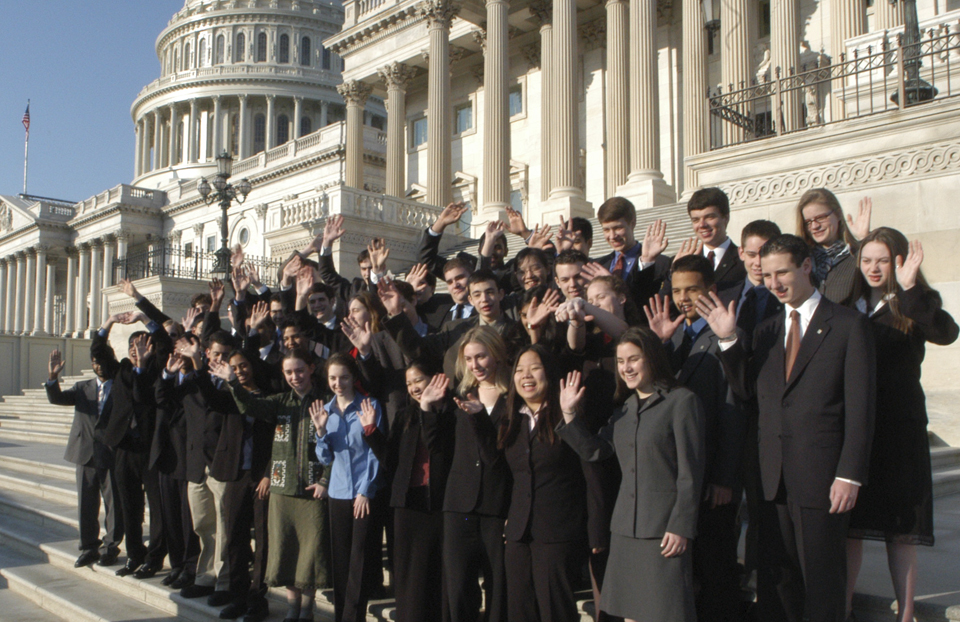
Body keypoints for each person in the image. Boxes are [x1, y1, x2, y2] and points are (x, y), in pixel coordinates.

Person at [696, 233, 876, 622]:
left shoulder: (848, 325)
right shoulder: (767, 330)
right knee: (776, 580)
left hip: (823, 476)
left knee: (823, 580)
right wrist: (728, 340)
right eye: (769, 274)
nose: (774, 283)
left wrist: (850, 474)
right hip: (771, 476)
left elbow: (861, 408)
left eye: (783, 273)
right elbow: (747, 392)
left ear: (806, 266)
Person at [845, 228, 959, 622]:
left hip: (900, 430)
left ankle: (906, 614)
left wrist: (911, 291)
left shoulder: (914, 302)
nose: (874, 268)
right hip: (858, 429)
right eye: (866, 260)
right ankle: (841, 608)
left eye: (883, 260)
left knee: (902, 530)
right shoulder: (850, 302)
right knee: (852, 527)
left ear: (899, 262)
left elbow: (946, 333)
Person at [558, 327, 706, 622]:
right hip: (625, 530)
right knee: (631, 616)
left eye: (634, 359)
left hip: (664, 532)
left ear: (651, 358)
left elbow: (691, 472)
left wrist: (681, 526)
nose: (626, 367)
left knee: (664, 613)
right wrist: (570, 416)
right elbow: (596, 451)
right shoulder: (625, 408)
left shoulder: (681, 402)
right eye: (621, 361)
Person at [646, 255, 745, 622]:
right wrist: (659, 346)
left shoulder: (724, 334)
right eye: (676, 290)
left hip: (712, 476)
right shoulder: (674, 334)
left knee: (716, 565)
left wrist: (724, 477)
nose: (683, 297)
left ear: (711, 290)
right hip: (679, 472)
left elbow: (733, 409)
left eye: (692, 289)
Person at [213, 349, 332, 622]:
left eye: (299, 370)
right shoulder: (280, 402)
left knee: (310, 554)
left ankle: (307, 611)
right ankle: (292, 610)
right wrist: (232, 381)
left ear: (311, 369)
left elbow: (337, 447)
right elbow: (250, 406)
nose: (295, 377)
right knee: (287, 551)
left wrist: (325, 479)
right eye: (289, 372)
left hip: (313, 491)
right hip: (282, 489)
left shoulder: (326, 402)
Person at [496, 345, 586, 622]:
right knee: (520, 609)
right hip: (519, 533)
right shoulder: (511, 419)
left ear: (549, 372)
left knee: (554, 610)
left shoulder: (567, 412)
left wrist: (571, 416)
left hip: (557, 530)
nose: (526, 375)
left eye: (534, 368)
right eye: (520, 370)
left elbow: (589, 463)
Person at [363, 364, 456, 622]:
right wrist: (371, 432)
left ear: (436, 379)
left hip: (440, 505)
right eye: (409, 383)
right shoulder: (404, 416)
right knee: (408, 575)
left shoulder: (452, 413)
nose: (414, 387)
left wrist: (428, 409)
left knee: (438, 573)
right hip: (407, 505)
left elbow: (443, 451)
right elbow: (392, 463)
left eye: (419, 380)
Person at [444, 326, 512, 622]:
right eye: (469, 359)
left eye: (481, 356)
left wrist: (481, 419)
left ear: (496, 354)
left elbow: (500, 457)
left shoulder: (515, 398)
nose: (475, 365)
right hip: (459, 506)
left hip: (498, 506)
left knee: (499, 589)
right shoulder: (459, 396)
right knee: (459, 588)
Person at [312, 353, 385, 622]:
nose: (338, 383)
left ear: (354, 378)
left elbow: (376, 453)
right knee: (340, 561)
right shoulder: (324, 411)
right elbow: (326, 459)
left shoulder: (369, 406)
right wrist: (320, 433)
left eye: (343, 377)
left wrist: (366, 490)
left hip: (364, 493)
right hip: (337, 493)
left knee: (359, 560)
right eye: (333, 377)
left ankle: (353, 617)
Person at [46, 346, 124, 569]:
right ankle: (89, 547)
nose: (98, 365)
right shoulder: (83, 387)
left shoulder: (121, 387)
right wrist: (53, 378)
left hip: (111, 454)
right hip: (85, 453)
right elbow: (57, 398)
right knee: (86, 504)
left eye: (102, 360)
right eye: (94, 361)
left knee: (114, 504)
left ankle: (111, 547)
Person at [795, 188, 871, 305]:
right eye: (808, 222)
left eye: (821, 217)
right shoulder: (801, 261)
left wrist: (864, 242)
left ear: (839, 214)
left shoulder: (856, 255)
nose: (815, 226)